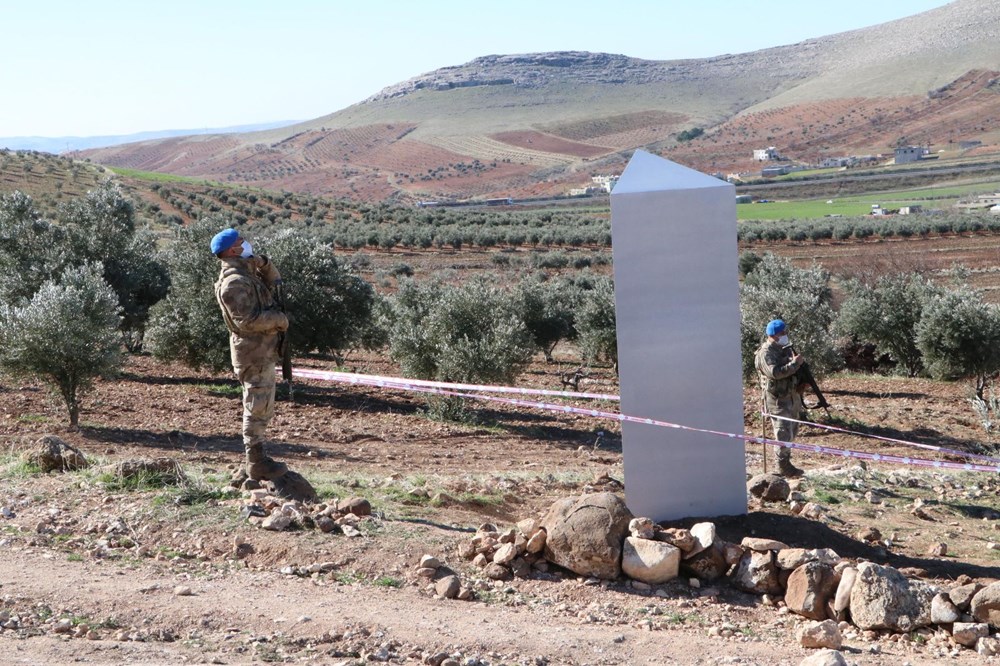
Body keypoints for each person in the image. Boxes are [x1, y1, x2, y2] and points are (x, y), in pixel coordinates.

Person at [211, 228, 289, 481]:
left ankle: (251, 463)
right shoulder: (234, 283)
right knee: (257, 406)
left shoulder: (246, 274)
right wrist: (280, 320)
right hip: (253, 354)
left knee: (262, 405)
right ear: (233, 250)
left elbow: (274, 284)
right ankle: (256, 461)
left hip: (261, 352)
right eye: (242, 242)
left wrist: (264, 263)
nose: (248, 244)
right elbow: (247, 321)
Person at [754, 319, 805, 477]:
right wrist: (794, 365)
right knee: (782, 431)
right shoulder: (766, 353)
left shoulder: (785, 349)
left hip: (791, 395)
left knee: (792, 430)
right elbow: (774, 373)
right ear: (775, 335)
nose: (785, 335)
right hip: (777, 399)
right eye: (783, 333)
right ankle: (782, 466)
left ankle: (787, 462)